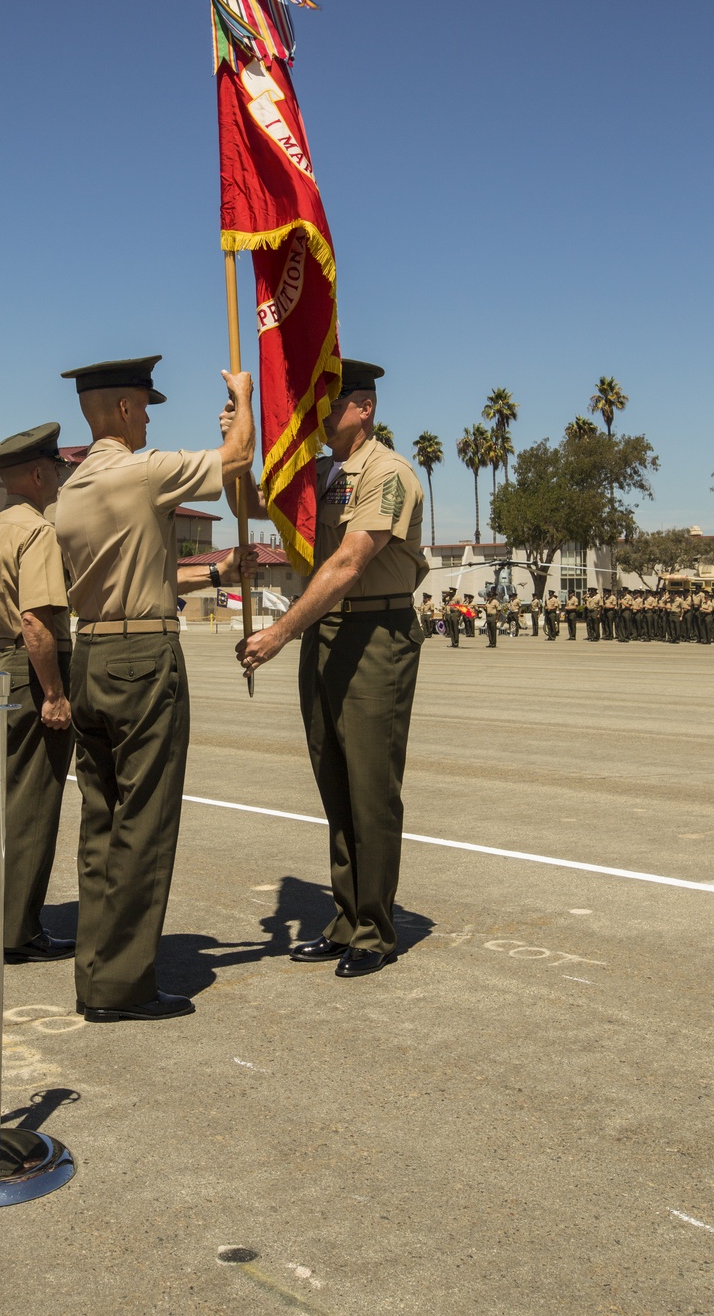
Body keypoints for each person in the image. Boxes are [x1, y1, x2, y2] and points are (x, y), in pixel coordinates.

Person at [54, 356, 256, 1022]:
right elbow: (238, 457)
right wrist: (241, 400)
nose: (146, 418)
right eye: (142, 406)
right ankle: (124, 987)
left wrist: (219, 572)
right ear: (119, 410)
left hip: (93, 654)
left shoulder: (74, 489)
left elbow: (147, 577)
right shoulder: (141, 471)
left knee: (102, 819)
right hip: (143, 657)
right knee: (145, 819)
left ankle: (95, 970)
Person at [232, 360, 426, 977]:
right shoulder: (319, 472)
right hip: (326, 629)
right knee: (334, 779)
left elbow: (348, 563)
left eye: (332, 402)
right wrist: (240, 422)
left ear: (364, 408)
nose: (319, 414)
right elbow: (247, 499)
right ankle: (346, 917)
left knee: (371, 786)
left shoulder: (389, 473)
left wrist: (283, 630)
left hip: (374, 631)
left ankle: (375, 929)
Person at [0, 423, 76, 964]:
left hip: (1, 671)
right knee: (34, 805)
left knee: (3, 804)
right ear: (37, 472)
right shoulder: (39, 531)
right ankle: (17, 932)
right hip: (35, 670)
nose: (57, 477)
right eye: (55, 468)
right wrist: (53, 693)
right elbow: (36, 619)